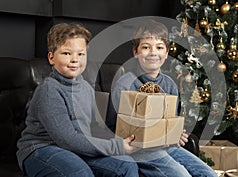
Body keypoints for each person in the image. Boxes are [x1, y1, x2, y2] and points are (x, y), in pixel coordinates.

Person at [16, 23, 140, 177]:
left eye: (81, 54)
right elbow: (67, 139)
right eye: (67, 53)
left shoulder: (86, 88)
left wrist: (130, 135)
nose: (75, 59)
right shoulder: (49, 90)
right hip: (41, 149)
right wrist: (116, 146)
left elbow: (96, 128)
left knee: (126, 166)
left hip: (76, 149)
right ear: (51, 58)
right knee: (79, 172)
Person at [106, 19, 218, 177]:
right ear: (135, 52)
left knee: (209, 174)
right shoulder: (125, 84)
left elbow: (170, 121)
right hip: (138, 151)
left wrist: (176, 134)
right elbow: (112, 126)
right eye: (146, 47)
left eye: (159, 47)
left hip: (166, 147)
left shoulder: (169, 84)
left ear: (166, 54)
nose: (153, 52)